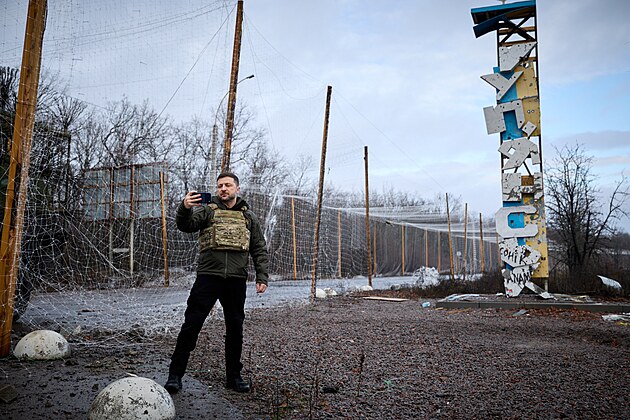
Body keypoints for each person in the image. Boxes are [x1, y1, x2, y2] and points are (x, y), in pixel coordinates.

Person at [165, 172, 269, 394]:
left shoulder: (248, 216)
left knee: (235, 329)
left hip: (236, 280)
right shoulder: (207, 211)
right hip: (208, 277)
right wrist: (185, 207)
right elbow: (186, 225)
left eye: (228, 185)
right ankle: (175, 375)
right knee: (192, 324)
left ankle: (234, 377)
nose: (223, 189)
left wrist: (262, 277)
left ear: (237, 189)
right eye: (220, 185)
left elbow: (259, 247)